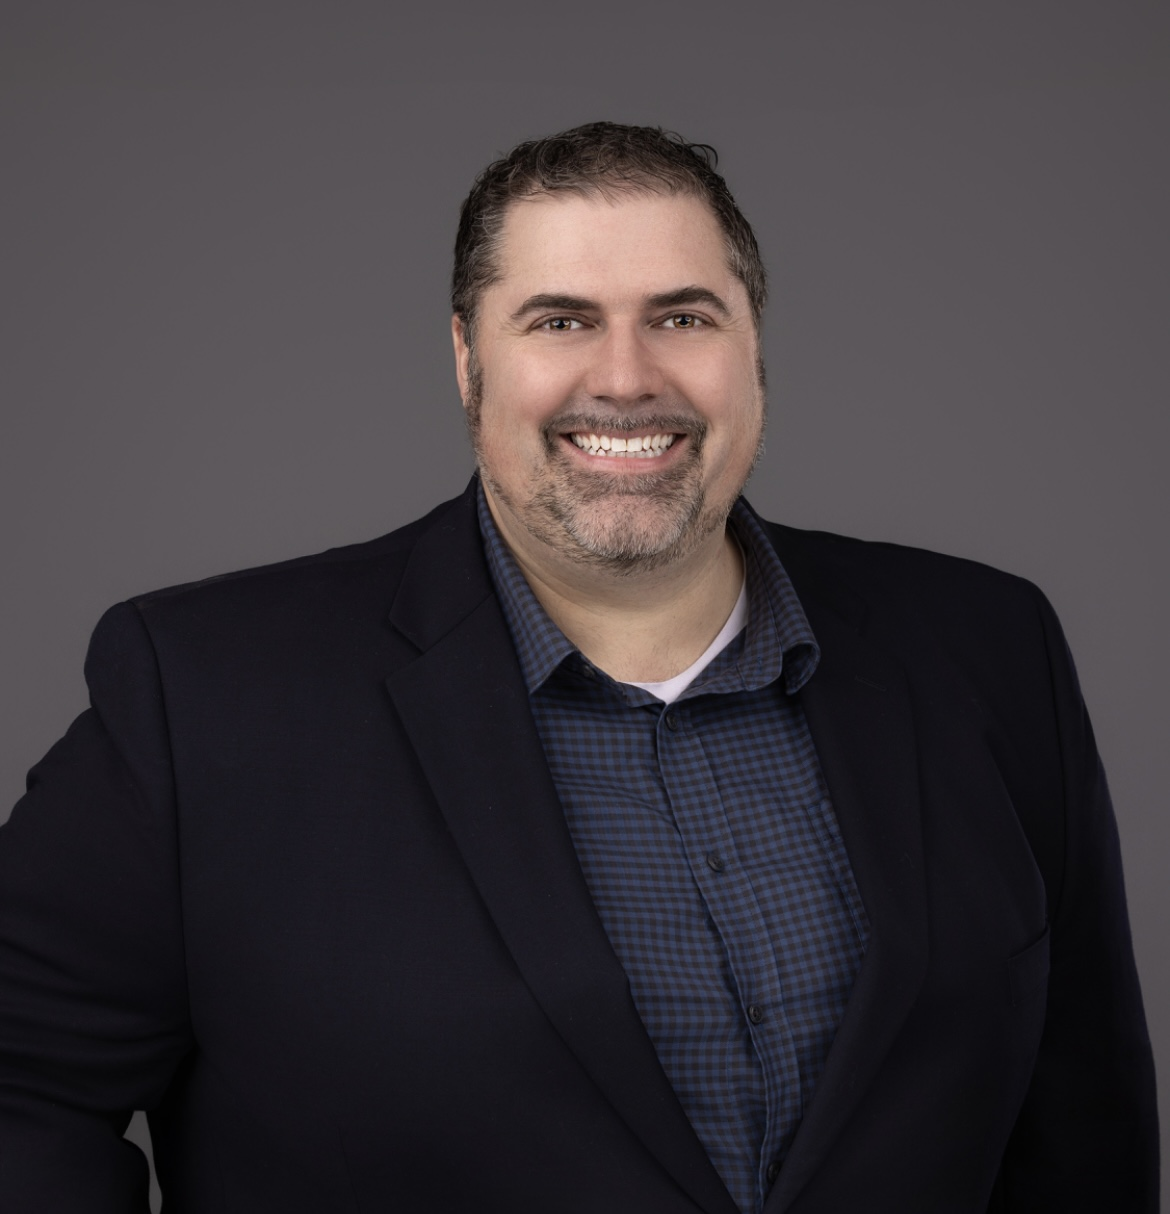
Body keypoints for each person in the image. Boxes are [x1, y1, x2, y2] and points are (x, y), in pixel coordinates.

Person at [0, 122, 1157, 1213]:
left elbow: (1083, 1126)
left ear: (754, 345)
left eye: (683, 316)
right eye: (559, 320)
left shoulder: (989, 648)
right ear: (466, 356)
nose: (624, 377)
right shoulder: (204, 694)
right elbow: (22, 1086)